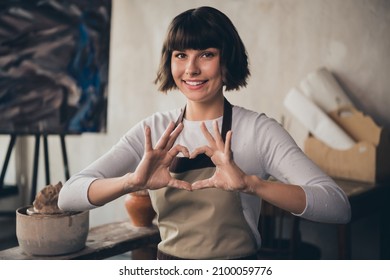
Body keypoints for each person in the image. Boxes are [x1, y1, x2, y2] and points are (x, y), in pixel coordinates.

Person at [58, 6, 351, 260]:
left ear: (227, 60)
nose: (191, 69)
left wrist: (252, 185)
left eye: (206, 54)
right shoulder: (154, 131)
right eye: (181, 55)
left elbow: (337, 206)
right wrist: (131, 181)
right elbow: (68, 197)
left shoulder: (258, 130)